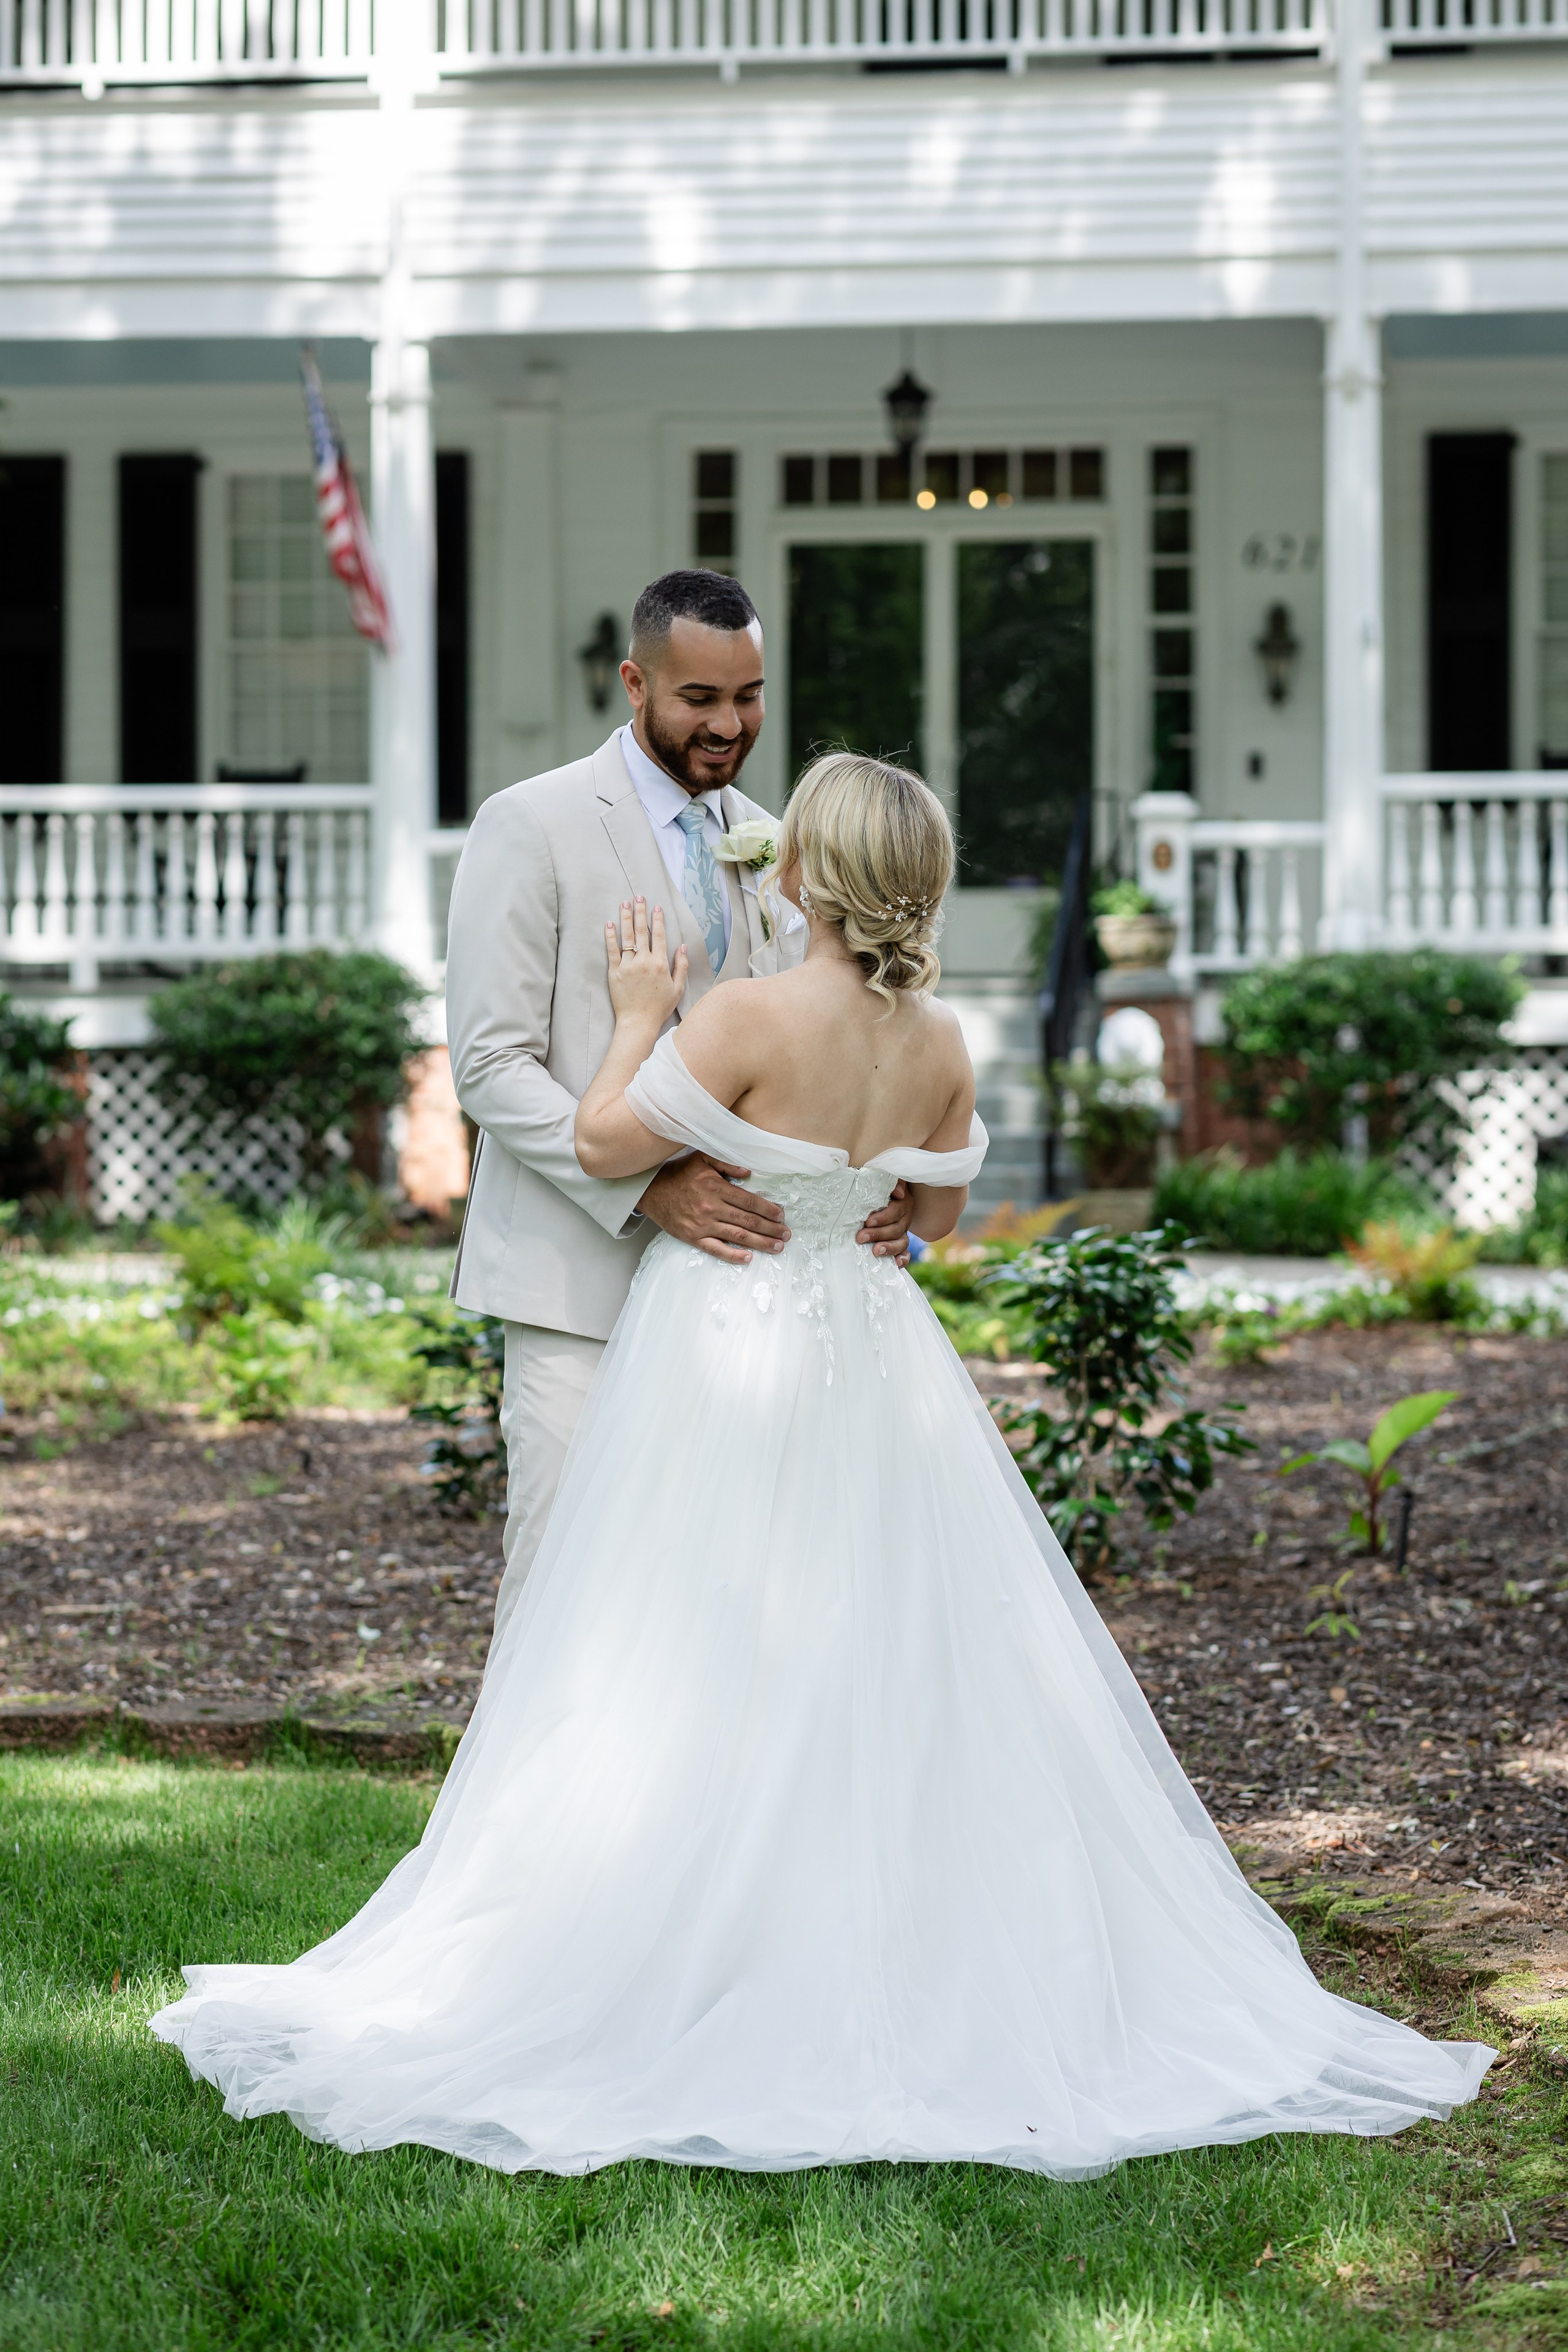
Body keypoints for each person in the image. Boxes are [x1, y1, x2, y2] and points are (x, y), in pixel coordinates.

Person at [151, 753, 1491, 2177]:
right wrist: (867, 1212)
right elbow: (935, 1212)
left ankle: (685, 1915)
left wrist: (635, 1017)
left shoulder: (735, 1016)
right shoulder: (941, 1042)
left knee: (677, 1637)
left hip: (721, 1347)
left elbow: (607, 1141)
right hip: (873, 1355)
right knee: (893, 1639)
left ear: (798, 874)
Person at [442, 568, 911, 1648]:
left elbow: (835, 1030)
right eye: (699, 699)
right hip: (580, 1284)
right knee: (564, 1581)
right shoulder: (533, 824)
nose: (729, 724)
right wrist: (649, 1187)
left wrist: (875, 1190)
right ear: (634, 683)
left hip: (741, 1301)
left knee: (722, 1600)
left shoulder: (780, 837)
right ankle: (531, 1820)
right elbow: (490, 1062)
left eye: (748, 696)